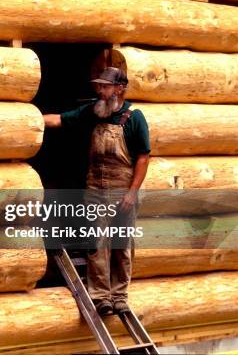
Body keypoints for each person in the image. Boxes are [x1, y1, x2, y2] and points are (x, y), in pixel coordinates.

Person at [43, 66, 151, 315]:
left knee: (121, 246)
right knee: (97, 244)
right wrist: (29, 119)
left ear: (120, 88)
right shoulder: (94, 112)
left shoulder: (134, 118)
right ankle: (101, 296)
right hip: (95, 189)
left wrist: (132, 193)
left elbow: (143, 158)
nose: (100, 90)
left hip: (122, 190)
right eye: (99, 86)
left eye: (105, 86)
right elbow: (60, 119)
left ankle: (120, 296)